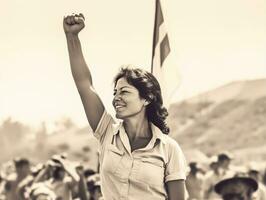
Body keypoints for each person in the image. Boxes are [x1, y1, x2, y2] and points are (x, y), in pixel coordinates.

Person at [63, 13, 187, 200]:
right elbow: (84, 84)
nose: (116, 98)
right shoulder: (106, 132)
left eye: (124, 92)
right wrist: (72, 37)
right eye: (115, 92)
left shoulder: (169, 149)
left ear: (147, 98)